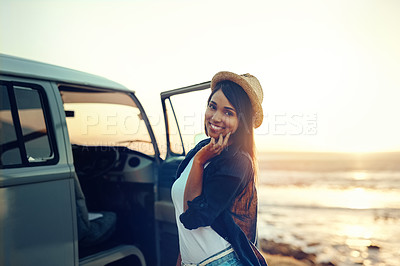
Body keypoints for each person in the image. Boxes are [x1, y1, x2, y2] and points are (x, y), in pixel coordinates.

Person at [171, 71, 268, 266]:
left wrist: (199, 162)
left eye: (228, 112)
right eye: (212, 107)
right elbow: (186, 226)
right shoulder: (201, 149)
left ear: (242, 122)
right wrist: (182, 258)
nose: (215, 117)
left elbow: (192, 218)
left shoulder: (237, 162)